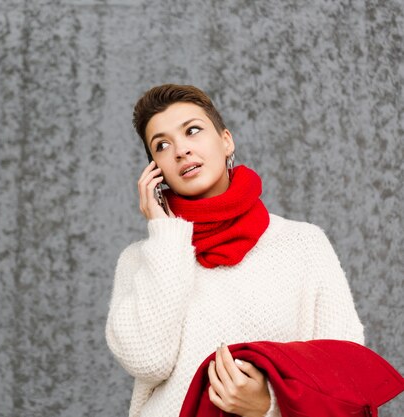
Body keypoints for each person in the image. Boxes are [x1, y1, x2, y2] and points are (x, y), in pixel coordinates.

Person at [105, 84, 364, 417]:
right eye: (162, 145)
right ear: (155, 170)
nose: (181, 150)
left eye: (192, 130)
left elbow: (342, 373)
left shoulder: (303, 244)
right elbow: (149, 362)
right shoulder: (140, 260)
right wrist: (166, 237)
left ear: (226, 141)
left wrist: (267, 406)